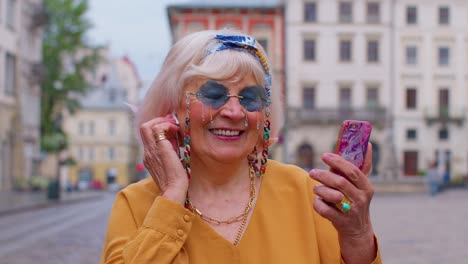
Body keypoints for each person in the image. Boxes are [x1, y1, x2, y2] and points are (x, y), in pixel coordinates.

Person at [100, 30, 382, 264]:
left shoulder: (304, 192)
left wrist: (357, 235)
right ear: (173, 106)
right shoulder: (136, 204)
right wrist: (172, 196)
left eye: (250, 97)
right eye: (213, 94)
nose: (234, 112)